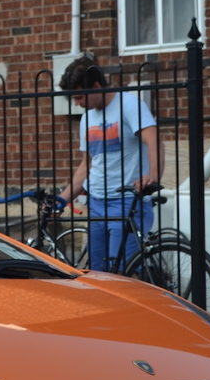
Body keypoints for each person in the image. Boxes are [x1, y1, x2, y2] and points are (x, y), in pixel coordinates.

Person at [58, 55, 161, 271]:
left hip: (126, 202)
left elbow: (154, 140)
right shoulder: (87, 118)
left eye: (79, 97)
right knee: (98, 274)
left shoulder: (129, 105)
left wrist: (153, 176)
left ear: (96, 86)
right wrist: (61, 200)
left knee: (123, 273)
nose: (77, 104)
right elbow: (86, 165)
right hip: (96, 203)